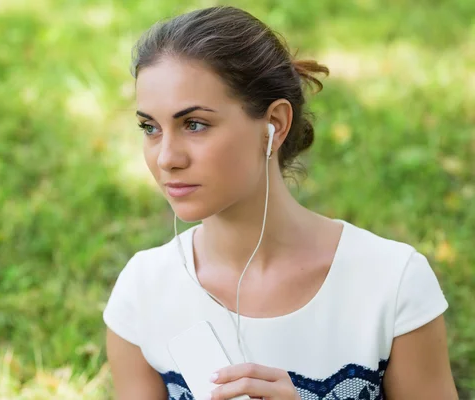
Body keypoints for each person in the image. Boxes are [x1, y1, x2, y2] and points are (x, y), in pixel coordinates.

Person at [102, 6, 458, 400]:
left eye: (194, 124)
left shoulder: (391, 284)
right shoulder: (143, 291)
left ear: (275, 123)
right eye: (150, 128)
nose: (167, 157)